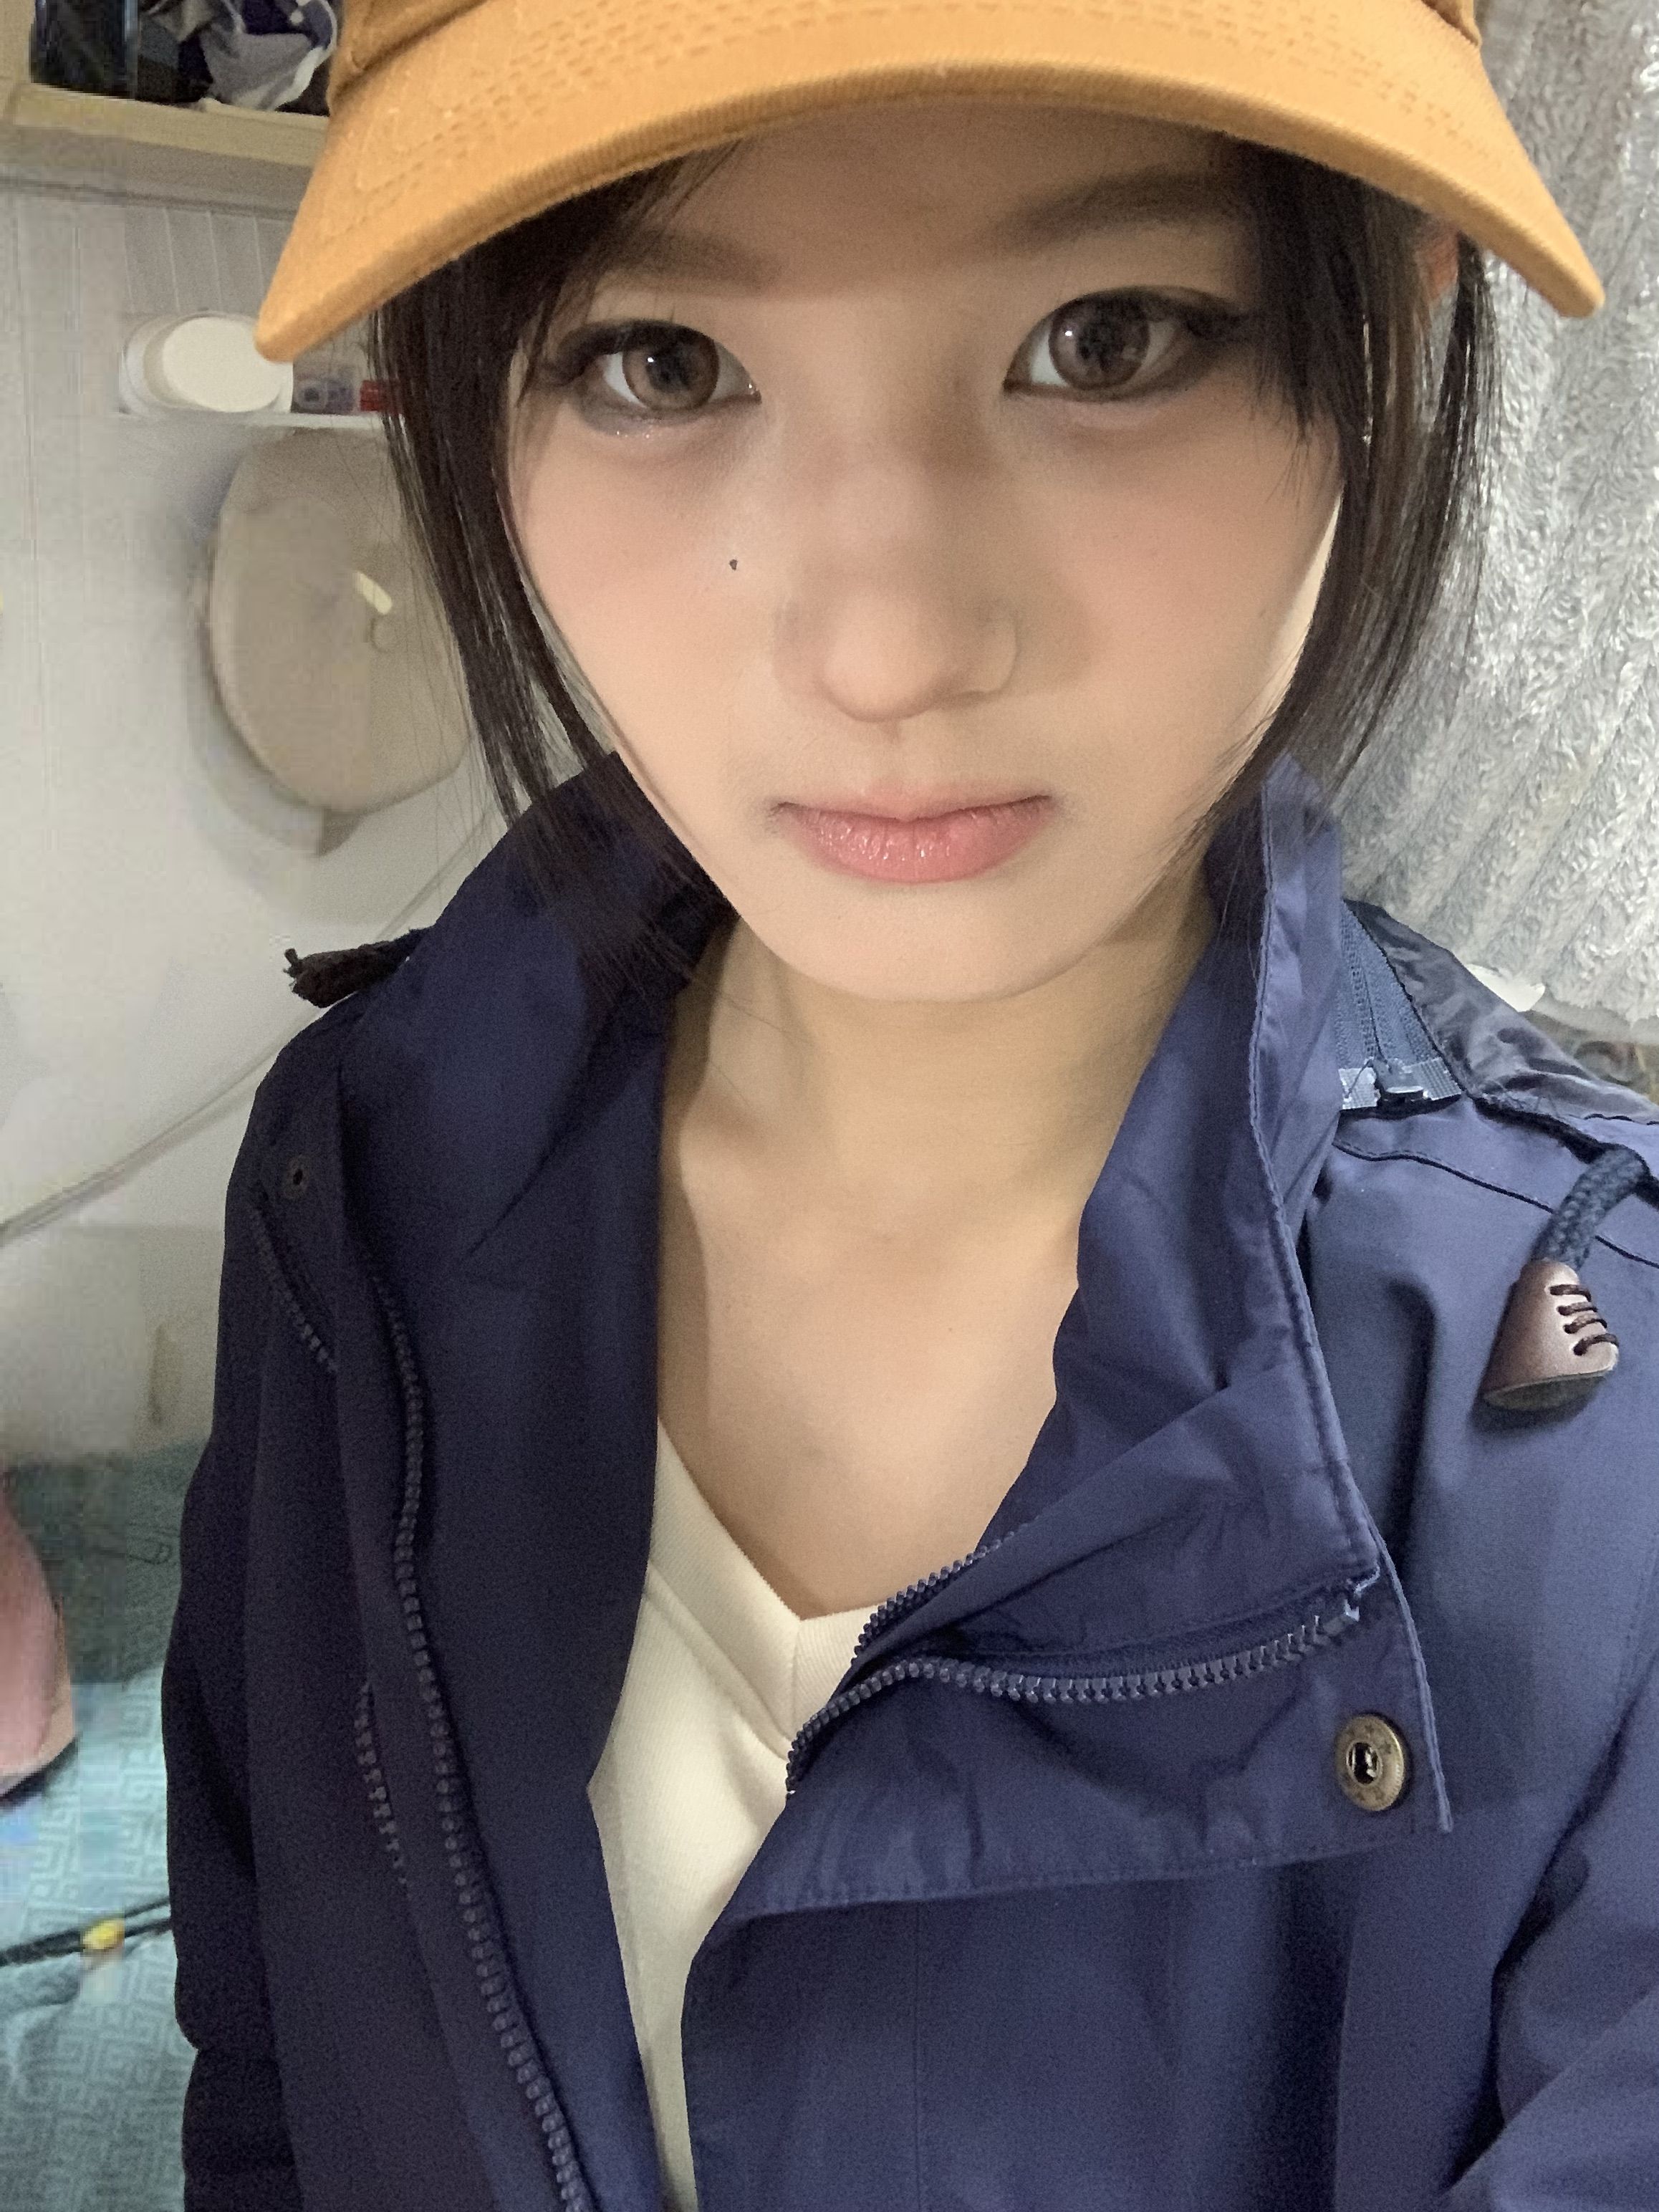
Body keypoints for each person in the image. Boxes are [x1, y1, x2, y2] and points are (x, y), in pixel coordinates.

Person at [163, 4, 1659, 2208]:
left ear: (1387, 335)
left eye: (1107, 341)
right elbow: (279, 2102)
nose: (885, 650)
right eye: (660, 362)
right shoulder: (356, 1177)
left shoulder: (1598, 1448)